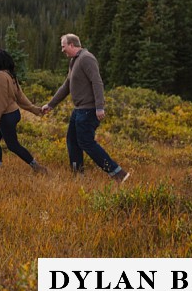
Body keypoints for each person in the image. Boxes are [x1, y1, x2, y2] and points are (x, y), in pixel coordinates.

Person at [42, 34, 130, 182]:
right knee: (72, 141)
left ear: (71, 45)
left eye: (63, 46)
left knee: (86, 143)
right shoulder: (74, 61)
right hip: (78, 110)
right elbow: (66, 86)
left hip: (88, 110)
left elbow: (97, 82)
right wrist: (51, 104)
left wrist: (99, 107)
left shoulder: (86, 58)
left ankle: (118, 173)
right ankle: (78, 174)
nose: (62, 49)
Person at [0, 49, 48, 174]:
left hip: (6, 116)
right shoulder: (9, 74)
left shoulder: (0, 76)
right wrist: (34, 109)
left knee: (13, 145)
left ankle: (37, 167)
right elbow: (20, 96)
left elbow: (1, 99)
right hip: (11, 114)